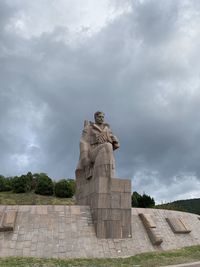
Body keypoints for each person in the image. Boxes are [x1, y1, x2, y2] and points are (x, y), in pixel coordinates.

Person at [76, 111, 120, 179]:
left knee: (108, 146)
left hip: (106, 150)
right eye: (100, 117)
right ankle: (102, 175)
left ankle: (108, 176)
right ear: (95, 117)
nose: (101, 118)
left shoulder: (107, 129)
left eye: (103, 117)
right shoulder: (89, 128)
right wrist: (84, 157)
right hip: (92, 152)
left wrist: (115, 140)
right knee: (107, 145)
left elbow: (115, 145)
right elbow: (83, 142)